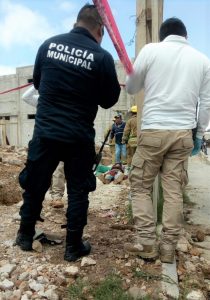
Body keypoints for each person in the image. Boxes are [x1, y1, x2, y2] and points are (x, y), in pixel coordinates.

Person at [16, 4, 120, 262]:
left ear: (76, 23)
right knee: (78, 191)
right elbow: (109, 100)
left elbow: (39, 84)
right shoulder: (101, 56)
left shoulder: (48, 45)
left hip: (46, 132)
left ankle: (25, 236)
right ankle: (73, 247)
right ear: (100, 30)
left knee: (35, 185)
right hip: (78, 136)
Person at [125, 17, 210, 263]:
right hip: (183, 134)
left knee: (140, 185)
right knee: (173, 191)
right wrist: (197, 133)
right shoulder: (203, 60)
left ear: (162, 36)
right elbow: (206, 104)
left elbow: (131, 88)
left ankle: (147, 243)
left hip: (153, 131)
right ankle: (168, 248)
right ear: (186, 37)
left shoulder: (151, 50)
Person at [22, 85, 66, 209]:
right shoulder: (44, 99)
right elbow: (26, 97)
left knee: (58, 169)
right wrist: (36, 84)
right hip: (43, 141)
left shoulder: (65, 100)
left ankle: (56, 197)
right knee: (43, 170)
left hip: (60, 139)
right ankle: (43, 198)